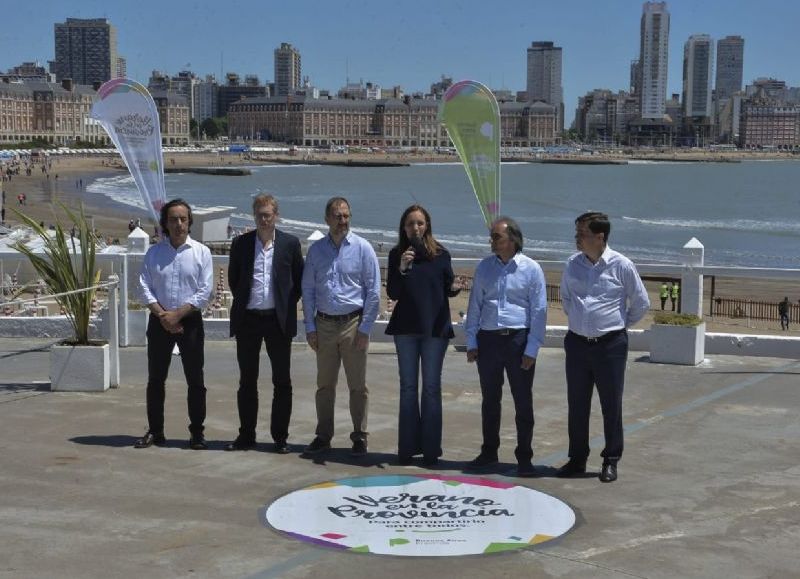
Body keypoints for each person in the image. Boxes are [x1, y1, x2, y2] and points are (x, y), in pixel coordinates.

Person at [557, 211, 650, 482]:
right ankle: (577, 459)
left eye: (582, 234)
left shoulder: (621, 265)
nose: (577, 239)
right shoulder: (572, 264)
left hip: (610, 345)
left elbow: (641, 303)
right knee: (577, 404)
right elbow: (565, 298)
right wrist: (581, 322)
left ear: (600, 237)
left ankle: (610, 459)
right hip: (576, 344)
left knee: (611, 404)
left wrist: (618, 326)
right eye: (576, 233)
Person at [464, 217, 547, 477]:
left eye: (497, 237)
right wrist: (471, 341)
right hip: (489, 340)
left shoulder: (531, 269)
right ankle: (489, 451)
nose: (492, 241)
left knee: (523, 401)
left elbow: (539, 311)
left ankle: (524, 457)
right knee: (490, 399)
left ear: (512, 239)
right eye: (492, 237)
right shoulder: (484, 268)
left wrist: (532, 348)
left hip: (517, 340)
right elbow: (475, 305)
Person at [301, 197, 381, 456]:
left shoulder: (363, 248)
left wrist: (365, 329)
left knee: (357, 385)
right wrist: (310, 328)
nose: (342, 221)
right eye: (337, 216)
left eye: (346, 216)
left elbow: (374, 292)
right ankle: (323, 436)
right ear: (326, 219)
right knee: (325, 385)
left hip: (353, 324)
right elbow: (308, 290)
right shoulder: (316, 252)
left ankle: (359, 436)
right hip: (323, 324)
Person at [226, 194, 304, 453]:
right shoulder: (241, 244)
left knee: (282, 381)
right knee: (247, 380)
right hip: (248, 320)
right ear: (254, 216)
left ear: (276, 216)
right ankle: (246, 434)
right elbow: (234, 280)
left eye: (268, 214)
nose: (263, 219)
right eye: (259, 214)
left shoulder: (290, 244)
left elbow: (298, 282)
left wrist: (284, 305)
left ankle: (280, 437)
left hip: (277, 321)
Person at [385, 204, 462, 466]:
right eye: (410, 224)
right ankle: (407, 448)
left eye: (419, 223)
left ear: (427, 225)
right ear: (403, 228)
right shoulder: (397, 254)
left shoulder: (441, 254)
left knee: (431, 388)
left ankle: (431, 450)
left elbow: (448, 286)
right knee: (408, 388)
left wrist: (455, 287)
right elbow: (393, 292)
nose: (415, 228)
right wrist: (403, 268)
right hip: (405, 329)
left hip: (434, 329)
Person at [135, 199, 213, 450]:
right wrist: (162, 316)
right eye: (173, 219)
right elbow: (143, 287)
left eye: (183, 219)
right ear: (165, 224)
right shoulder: (154, 253)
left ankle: (197, 433)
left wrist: (177, 315)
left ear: (190, 222)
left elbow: (204, 291)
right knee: (155, 380)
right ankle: (156, 431)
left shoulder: (202, 252)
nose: (178, 224)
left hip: (189, 322)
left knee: (196, 380)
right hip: (159, 322)